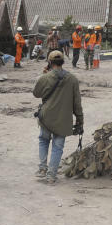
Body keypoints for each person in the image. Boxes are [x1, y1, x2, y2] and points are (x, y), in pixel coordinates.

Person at [32, 50, 84, 185]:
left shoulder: (45, 77)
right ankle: (51, 176)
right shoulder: (72, 79)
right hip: (64, 119)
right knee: (57, 147)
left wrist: (42, 76)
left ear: (50, 62)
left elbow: (36, 93)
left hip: (46, 118)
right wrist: (80, 120)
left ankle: (43, 168)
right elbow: (77, 103)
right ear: (63, 62)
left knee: (43, 140)